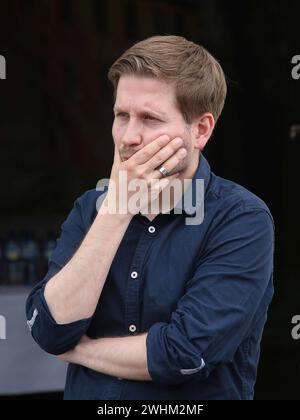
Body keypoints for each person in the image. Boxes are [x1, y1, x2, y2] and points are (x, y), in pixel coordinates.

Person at [26, 35, 274, 400]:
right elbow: (49, 328)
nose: (128, 136)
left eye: (150, 119)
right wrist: (117, 208)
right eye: (121, 116)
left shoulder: (241, 218)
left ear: (201, 129)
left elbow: (183, 353)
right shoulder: (90, 208)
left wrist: (79, 351)